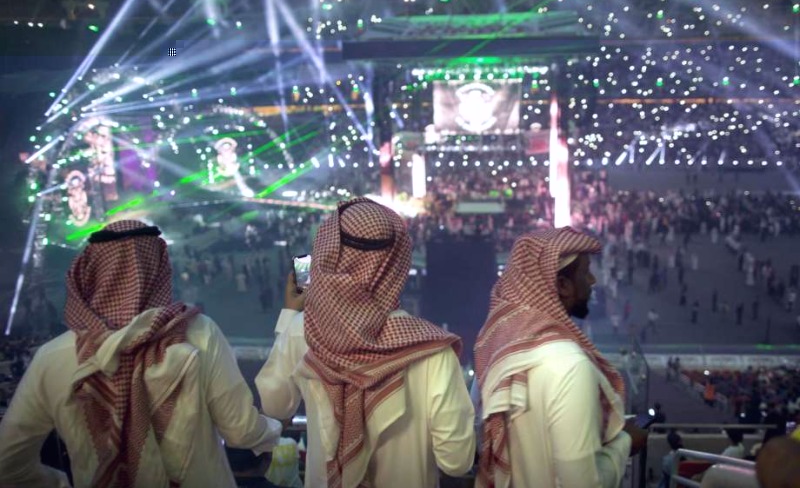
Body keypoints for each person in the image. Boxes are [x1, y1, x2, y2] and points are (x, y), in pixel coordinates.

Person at [0, 220, 282, 488]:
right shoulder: (199, 332)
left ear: (89, 272)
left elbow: (7, 464)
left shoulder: (51, 357)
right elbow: (241, 431)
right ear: (159, 270)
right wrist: (274, 430)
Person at [256, 198, 475, 488]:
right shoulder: (433, 351)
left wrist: (289, 318)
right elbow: (456, 461)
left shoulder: (302, 331)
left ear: (328, 252)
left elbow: (275, 406)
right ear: (397, 263)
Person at [473, 227, 648, 488]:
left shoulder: (496, 346)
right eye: (585, 272)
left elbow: (479, 437)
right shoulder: (569, 364)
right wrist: (625, 443)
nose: (592, 280)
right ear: (563, 285)